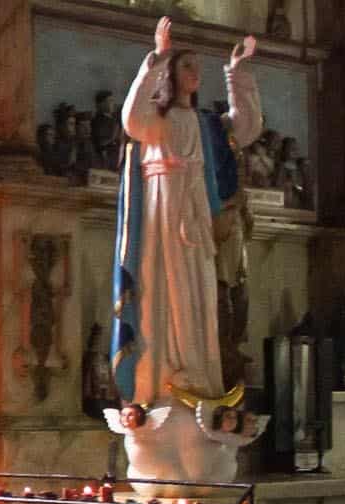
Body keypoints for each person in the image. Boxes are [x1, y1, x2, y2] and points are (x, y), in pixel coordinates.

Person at [112, 17, 264, 413]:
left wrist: (238, 73)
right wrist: (156, 59)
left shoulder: (206, 124)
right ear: (171, 74)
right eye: (187, 65)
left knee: (200, 294)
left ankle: (200, 376)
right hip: (163, 218)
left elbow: (246, 127)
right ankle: (161, 381)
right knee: (164, 295)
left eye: (197, 66)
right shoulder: (156, 121)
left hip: (197, 219)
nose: (196, 73)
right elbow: (131, 118)